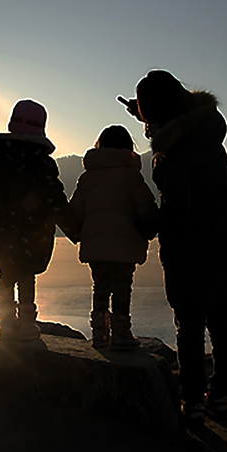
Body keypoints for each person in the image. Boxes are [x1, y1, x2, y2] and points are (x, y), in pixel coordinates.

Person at [120, 70, 227, 425]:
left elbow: (177, 208)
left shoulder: (173, 151)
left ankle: (192, 402)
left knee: (189, 328)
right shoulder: (207, 135)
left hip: (189, 252)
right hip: (223, 243)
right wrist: (146, 117)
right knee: (222, 324)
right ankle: (220, 396)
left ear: (156, 109)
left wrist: (145, 224)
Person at [0, 99, 75, 342]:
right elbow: (55, 198)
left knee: (6, 273)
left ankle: (6, 323)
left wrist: (13, 195)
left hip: (2, 228)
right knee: (26, 274)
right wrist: (76, 229)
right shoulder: (43, 163)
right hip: (34, 230)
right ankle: (26, 323)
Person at [68, 125, 158, 350]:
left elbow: (74, 211)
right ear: (128, 147)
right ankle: (121, 334)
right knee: (122, 288)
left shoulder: (87, 178)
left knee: (100, 286)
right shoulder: (132, 176)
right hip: (126, 247)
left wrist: (78, 234)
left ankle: (99, 334)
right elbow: (145, 207)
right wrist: (151, 228)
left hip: (96, 246)